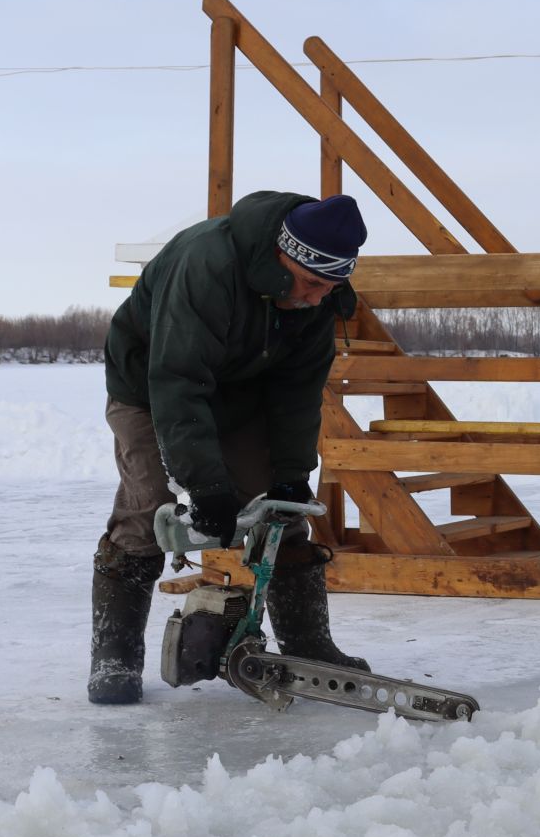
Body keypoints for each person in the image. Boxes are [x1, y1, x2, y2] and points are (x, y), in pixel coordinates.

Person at [87, 190, 371, 705]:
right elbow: (177, 379)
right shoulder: (207, 265)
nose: (315, 299)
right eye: (309, 284)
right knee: (149, 504)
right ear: (283, 255)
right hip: (150, 388)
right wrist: (206, 482)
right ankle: (115, 653)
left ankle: (308, 644)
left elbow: (297, 396)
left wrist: (290, 472)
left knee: (281, 510)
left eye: (329, 289)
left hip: (239, 390)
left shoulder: (316, 298)